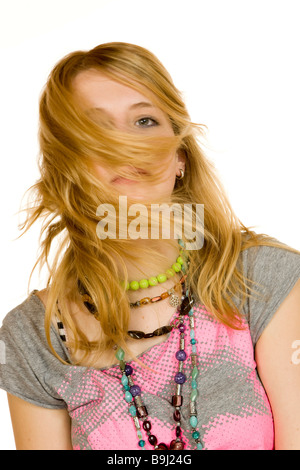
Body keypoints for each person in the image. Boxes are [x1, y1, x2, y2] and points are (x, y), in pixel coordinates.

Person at [0, 42, 300, 451]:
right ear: (64, 162)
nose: (126, 147)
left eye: (144, 121)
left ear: (180, 156)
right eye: (97, 128)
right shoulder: (34, 337)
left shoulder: (263, 279)